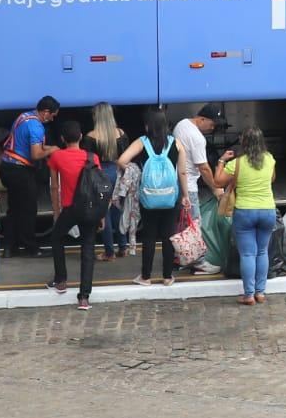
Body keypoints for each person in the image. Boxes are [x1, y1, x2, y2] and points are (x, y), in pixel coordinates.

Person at [115, 109, 188, 286]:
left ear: (148, 125)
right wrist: (185, 195)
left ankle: (146, 277)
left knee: (148, 237)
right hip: (171, 197)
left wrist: (135, 171)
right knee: (168, 236)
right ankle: (167, 276)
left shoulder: (142, 142)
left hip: (148, 198)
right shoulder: (176, 144)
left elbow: (121, 160)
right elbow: (183, 172)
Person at [211, 125, 277, 304]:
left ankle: (249, 295)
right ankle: (260, 293)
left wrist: (221, 161)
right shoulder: (270, 159)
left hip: (245, 211)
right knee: (262, 251)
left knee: (248, 254)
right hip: (267, 210)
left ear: (243, 142)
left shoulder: (236, 163)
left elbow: (217, 181)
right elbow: (272, 178)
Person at [45, 120, 102, 311]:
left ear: (62, 139)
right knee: (88, 249)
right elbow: (99, 189)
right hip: (91, 208)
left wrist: (56, 212)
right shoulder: (92, 158)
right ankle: (84, 297)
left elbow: (54, 187)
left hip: (70, 209)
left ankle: (61, 280)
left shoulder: (56, 157)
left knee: (56, 237)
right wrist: (101, 214)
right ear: (81, 137)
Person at [0, 95, 60, 257]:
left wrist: (49, 147)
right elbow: (36, 153)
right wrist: (53, 150)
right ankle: (30, 248)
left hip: (6, 166)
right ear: (46, 112)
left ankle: (9, 247)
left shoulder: (24, 116)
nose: (53, 119)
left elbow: (31, 144)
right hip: (20, 171)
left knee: (14, 209)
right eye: (53, 115)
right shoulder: (36, 126)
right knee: (28, 210)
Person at [173, 104, 224, 275]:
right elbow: (203, 168)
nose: (213, 127)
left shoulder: (181, 124)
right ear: (201, 119)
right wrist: (216, 188)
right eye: (212, 123)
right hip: (189, 186)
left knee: (182, 224)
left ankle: (182, 258)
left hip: (177, 183)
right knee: (194, 224)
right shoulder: (197, 138)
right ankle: (200, 263)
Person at [87, 102, 129, 262]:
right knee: (118, 210)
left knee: (103, 213)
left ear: (96, 116)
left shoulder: (91, 136)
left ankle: (109, 252)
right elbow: (126, 156)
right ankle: (123, 247)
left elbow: (88, 160)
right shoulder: (121, 133)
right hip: (118, 172)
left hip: (100, 174)